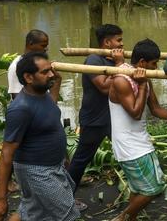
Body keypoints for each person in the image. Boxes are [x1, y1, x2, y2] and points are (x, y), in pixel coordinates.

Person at [0, 52, 79, 221]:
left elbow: (50, 112)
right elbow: (7, 153)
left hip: (53, 166)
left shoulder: (42, 95)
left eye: (50, 70)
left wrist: (56, 80)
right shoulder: (21, 108)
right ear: (28, 77)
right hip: (37, 171)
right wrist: (0, 198)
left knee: (31, 213)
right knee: (67, 215)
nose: (51, 74)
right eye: (45, 72)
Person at [108, 39, 167, 220]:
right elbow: (135, 113)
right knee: (154, 188)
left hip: (140, 142)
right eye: (153, 64)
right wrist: (143, 84)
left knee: (138, 188)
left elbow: (156, 109)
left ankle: (131, 218)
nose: (156, 67)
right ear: (143, 62)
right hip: (130, 147)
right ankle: (122, 218)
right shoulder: (122, 80)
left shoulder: (145, 79)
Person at [67, 24, 124, 207]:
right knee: (82, 159)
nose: (122, 44)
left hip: (114, 119)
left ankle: (142, 190)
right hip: (94, 120)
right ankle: (64, 198)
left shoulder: (113, 60)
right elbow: (105, 87)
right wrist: (119, 64)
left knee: (128, 153)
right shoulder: (94, 60)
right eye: (118, 40)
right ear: (107, 42)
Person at [7, 30, 49, 99]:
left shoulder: (41, 63)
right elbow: (16, 96)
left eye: (46, 46)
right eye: (43, 45)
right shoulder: (15, 66)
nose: (46, 49)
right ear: (31, 44)